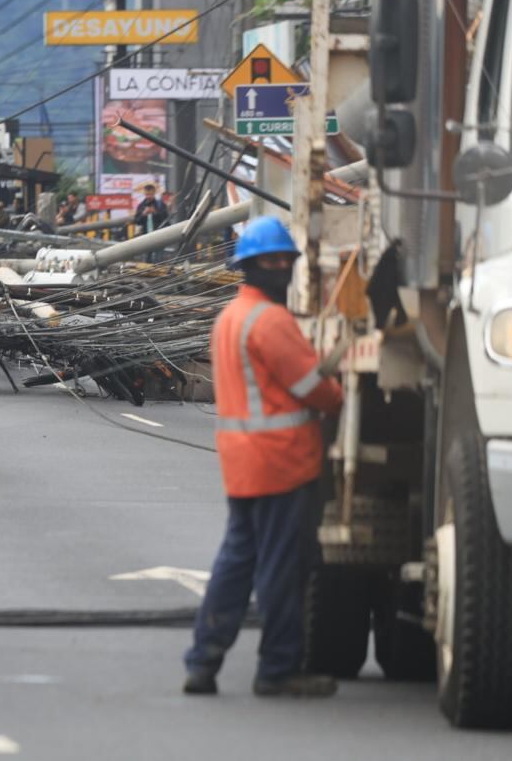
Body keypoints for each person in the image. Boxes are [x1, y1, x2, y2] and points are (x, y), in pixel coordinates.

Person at [183, 216, 344, 699]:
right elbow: (316, 391)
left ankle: (203, 660)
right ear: (250, 267)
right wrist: (338, 391)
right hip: (281, 464)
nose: (280, 268)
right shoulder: (272, 321)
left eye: (283, 260)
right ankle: (277, 669)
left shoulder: (230, 316)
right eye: (271, 261)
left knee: (237, 562)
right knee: (280, 568)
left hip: (244, 463)